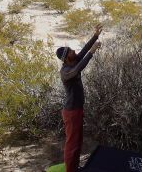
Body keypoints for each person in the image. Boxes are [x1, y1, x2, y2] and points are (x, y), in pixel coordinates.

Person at [56, 24, 102, 172]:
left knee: (78, 141)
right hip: (71, 112)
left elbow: (82, 52)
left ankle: (74, 167)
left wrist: (95, 36)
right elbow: (78, 69)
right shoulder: (66, 71)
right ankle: (70, 170)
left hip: (76, 109)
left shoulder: (73, 60)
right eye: (70, 51)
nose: (74, 51)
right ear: (66, 57)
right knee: (72, 143)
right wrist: (92, 52)